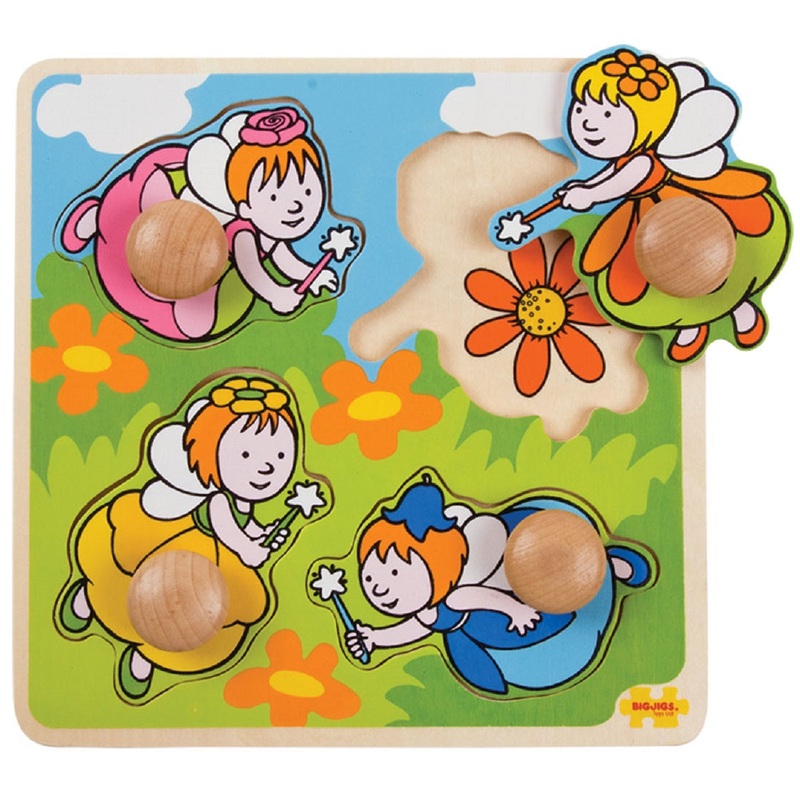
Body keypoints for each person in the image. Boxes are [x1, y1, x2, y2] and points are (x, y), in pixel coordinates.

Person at [58, 376, 299, 698]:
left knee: (205, 614)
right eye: (245, 455)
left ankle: (145, 658)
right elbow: (227, 529)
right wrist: (248, 549)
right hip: (182, 538)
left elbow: (246, 525)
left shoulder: (243, 501)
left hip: (211, 564)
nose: (266, 467)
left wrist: (261, 534)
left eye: (280, 457)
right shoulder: (219, 500)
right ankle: (88, 599)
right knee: (122, 566)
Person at [345, 477, 651, 695]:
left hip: (517, 600)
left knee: (560, 580)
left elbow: (480, 597)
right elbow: (415, 628)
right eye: (370, 577)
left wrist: (515, 610)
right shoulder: (429, 610)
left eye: (395, 573)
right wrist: (375, 637)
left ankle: (611, 563)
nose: (379, 589)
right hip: (484, 625)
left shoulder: (455, 597)